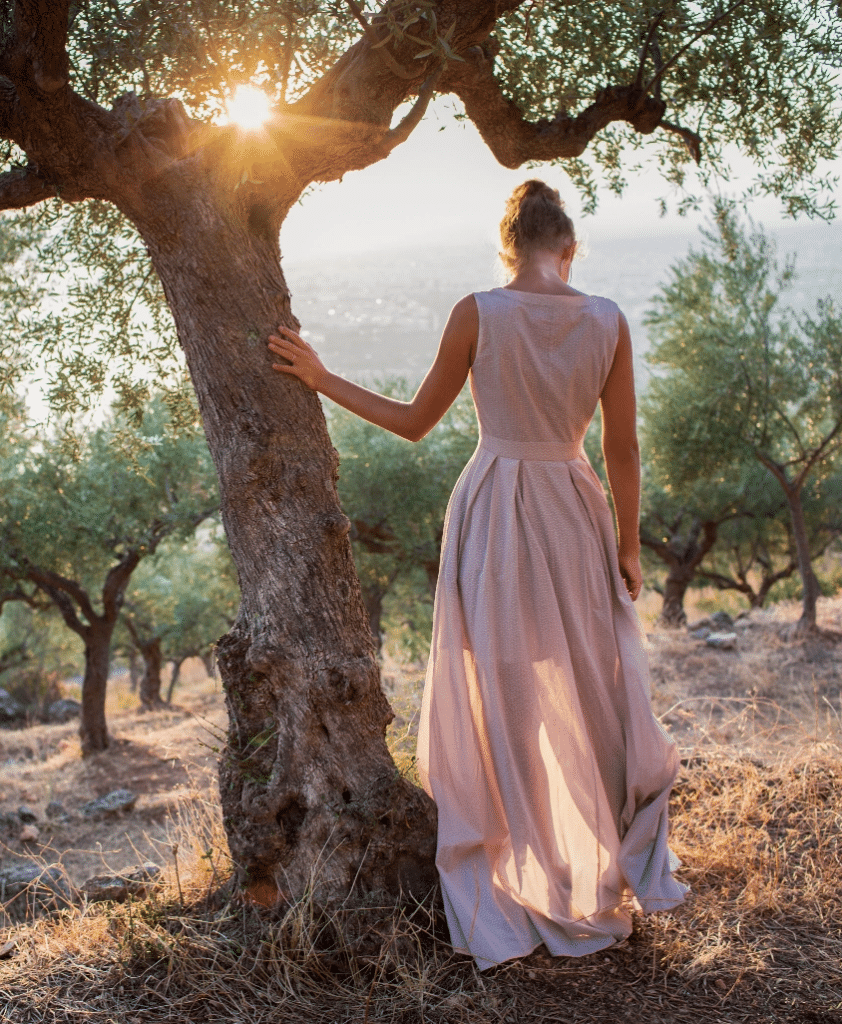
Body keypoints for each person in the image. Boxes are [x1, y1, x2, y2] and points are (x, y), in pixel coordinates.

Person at [268, 179, 687, 970]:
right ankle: (593, 866)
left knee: (505, 695)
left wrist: (321, 379)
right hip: (573, 506)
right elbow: (624, 450)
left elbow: (416, 423)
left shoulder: (478, 311)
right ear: (568, 249)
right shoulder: (607, 320)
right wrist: (629, 545)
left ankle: (519, 869)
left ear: (510, 246)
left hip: (495, 506)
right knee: (592, 691)